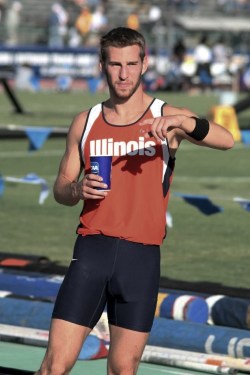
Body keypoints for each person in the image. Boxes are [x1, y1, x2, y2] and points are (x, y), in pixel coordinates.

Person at [36, 27, 234, 375]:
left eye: (131, 63)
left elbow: (227, 140)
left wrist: (183, 121)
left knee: (123, 370)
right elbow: (61, 189)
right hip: (92, 252)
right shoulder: (85, 122)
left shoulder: (167, 117)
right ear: (102, 66)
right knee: (54, 366)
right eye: (115, 64)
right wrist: (77, 190)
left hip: (141, 258)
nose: (123, 73)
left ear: (145, 64)